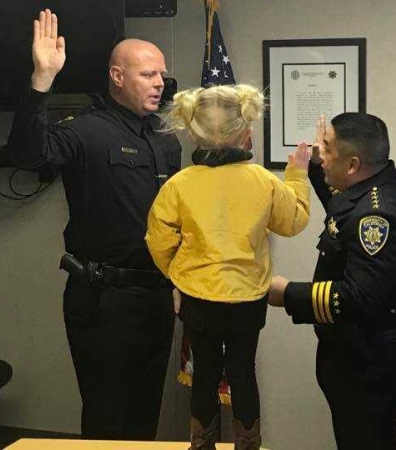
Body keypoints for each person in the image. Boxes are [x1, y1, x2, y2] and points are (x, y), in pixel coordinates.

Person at [6, 9, 181, 440]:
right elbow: (28, 157)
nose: (159, 82)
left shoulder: (165, 138)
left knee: (144, 416)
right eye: (147, 74)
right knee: (107, 418)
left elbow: (177, 218)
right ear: (118, 77)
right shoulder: (84, 130)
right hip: (103, 298)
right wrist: (42, 81)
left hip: (157, 294)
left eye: (162, 74)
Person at [145, 84, 311, 450]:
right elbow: (293, 222)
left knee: (204, 372)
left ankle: (200, 444)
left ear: (193, 131)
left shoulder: (178, 185)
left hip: (197, 295)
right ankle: (247, 445)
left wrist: (178, 274)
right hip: (249, 296)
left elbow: (158, 241)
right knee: (243, 372)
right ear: (247, 133)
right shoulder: (264, 181)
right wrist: (297, 175)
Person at [268, 113, 396, 449]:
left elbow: (358, 298)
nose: (321, 152)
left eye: (328, 149)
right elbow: (341, 208)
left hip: (368, 367)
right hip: (353, 358)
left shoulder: (377, 217)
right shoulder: (369, 187)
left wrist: (287, 294)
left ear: (352, 165)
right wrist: (314, 167)